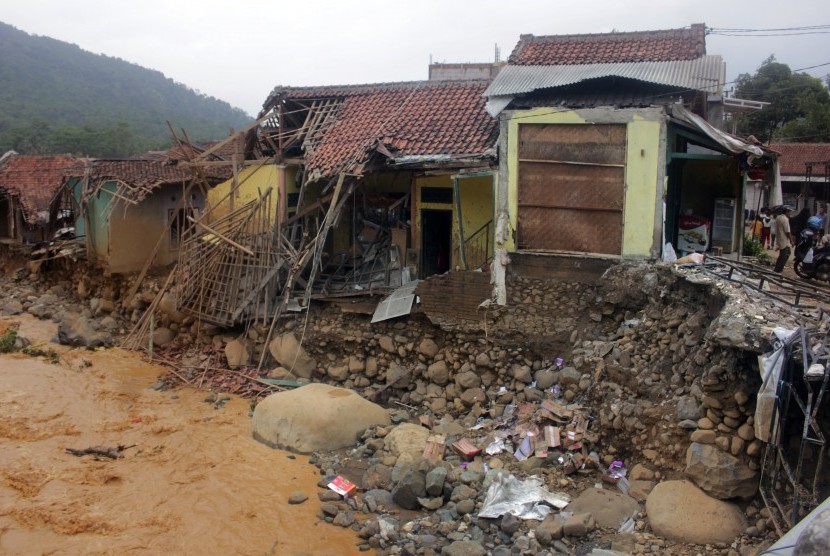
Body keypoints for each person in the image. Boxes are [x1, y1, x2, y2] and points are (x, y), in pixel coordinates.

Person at [773, 205, 796, 273]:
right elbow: (787, 232)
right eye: (789, 212)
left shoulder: (778, 217)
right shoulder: (785, 219)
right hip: (784, 239)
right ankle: (778, 269)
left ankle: (778, 268)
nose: (790, 214)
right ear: (786, 211)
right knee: (784, 255)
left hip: (780, 238)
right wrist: (792, 241)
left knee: (786, 253)